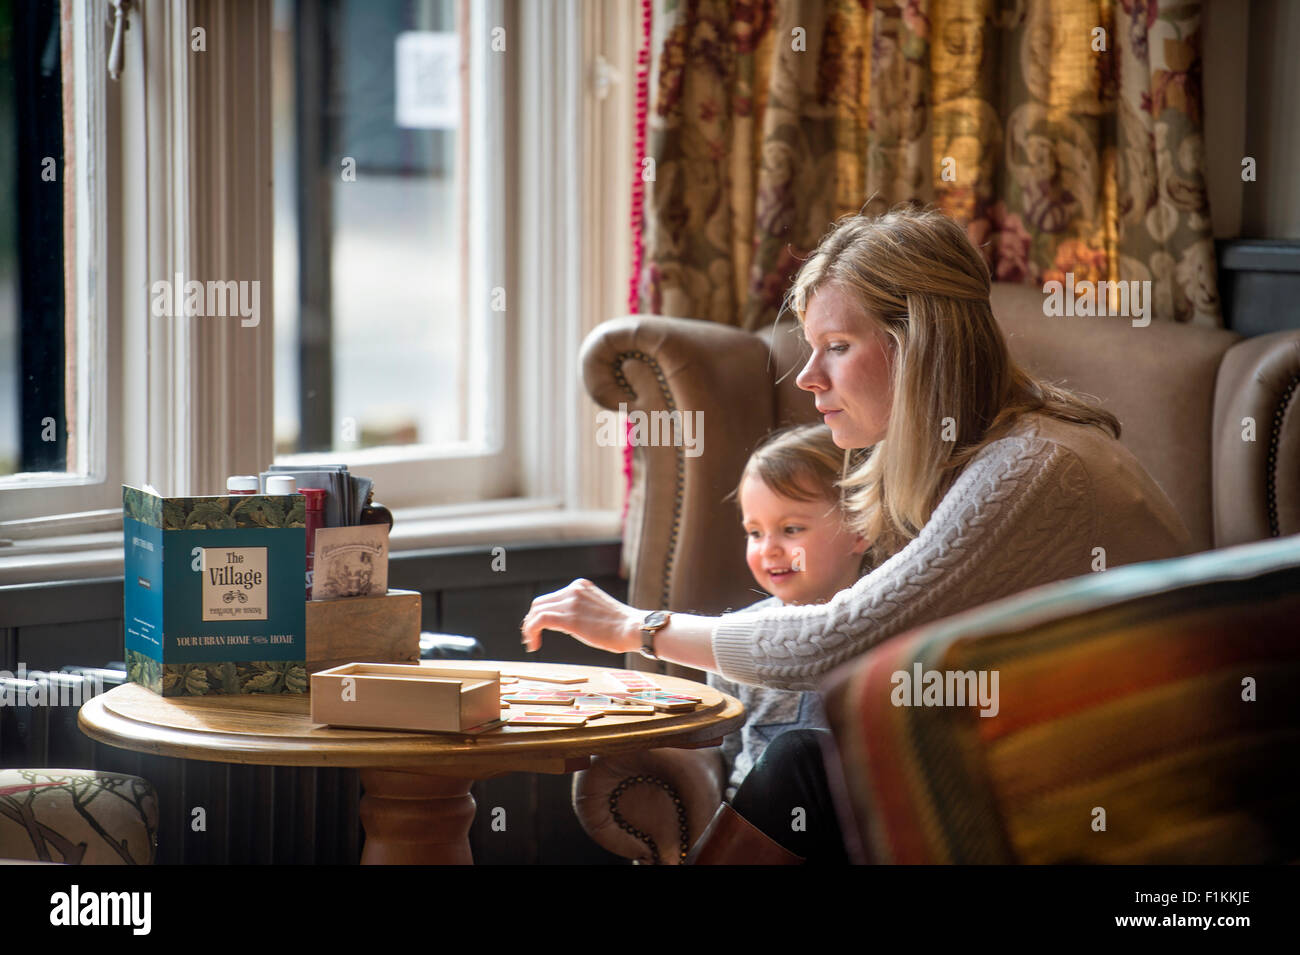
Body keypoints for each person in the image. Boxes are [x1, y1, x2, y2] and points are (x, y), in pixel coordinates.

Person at [521, 204, 1193, 862]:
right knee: (811, 760)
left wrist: (638, 626)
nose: (809, 378)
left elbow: (835, 639)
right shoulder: (988, 456)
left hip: (1142, 799)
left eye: (837, 348)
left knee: (802, 763)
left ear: (920, 345)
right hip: (1053, 768)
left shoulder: (1035, 468)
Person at [708, 422, 870, 801]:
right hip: (748, 834)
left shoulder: (890, 629)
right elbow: (721, 757)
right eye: (755, 532)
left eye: (791, 529)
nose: (769, 550)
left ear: (861, 527)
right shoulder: (736, 636)